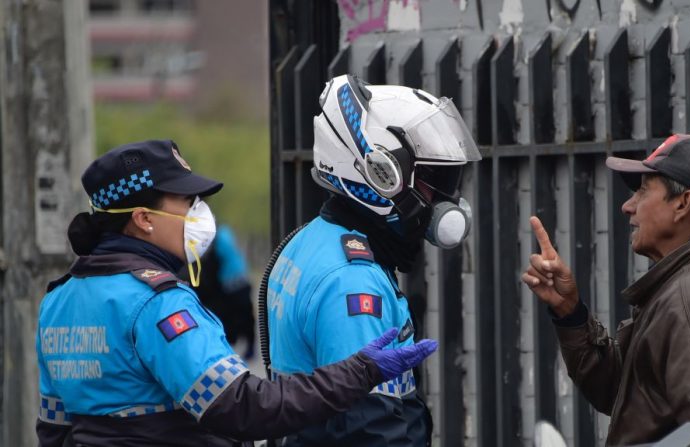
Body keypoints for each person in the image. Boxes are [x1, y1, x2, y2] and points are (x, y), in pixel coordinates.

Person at [35, 139, 438, 447]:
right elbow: (241, 407)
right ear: (143, 220)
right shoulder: (156, 304)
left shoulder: (58, 300)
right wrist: (360, 372)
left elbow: (53, 428)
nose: (199, 214)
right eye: (187, 202)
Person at [521, 134, 690, 446]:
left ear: (683, 203)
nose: (627, 206)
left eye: (643, 190)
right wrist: (571, 313)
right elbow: (628, 393)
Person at [266, 74, 481, 446]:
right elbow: (367, 428)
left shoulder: (312, 240)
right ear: (382, 174)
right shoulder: (352, 281)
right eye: (435, 182)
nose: (447, 198)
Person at [181, 223, 257, 360]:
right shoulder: (222, 233)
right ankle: (249, 348)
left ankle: (241, 348)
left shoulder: (216, 237)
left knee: (234, 317)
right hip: (238, 281)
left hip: (230, 283)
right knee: (245, 317)